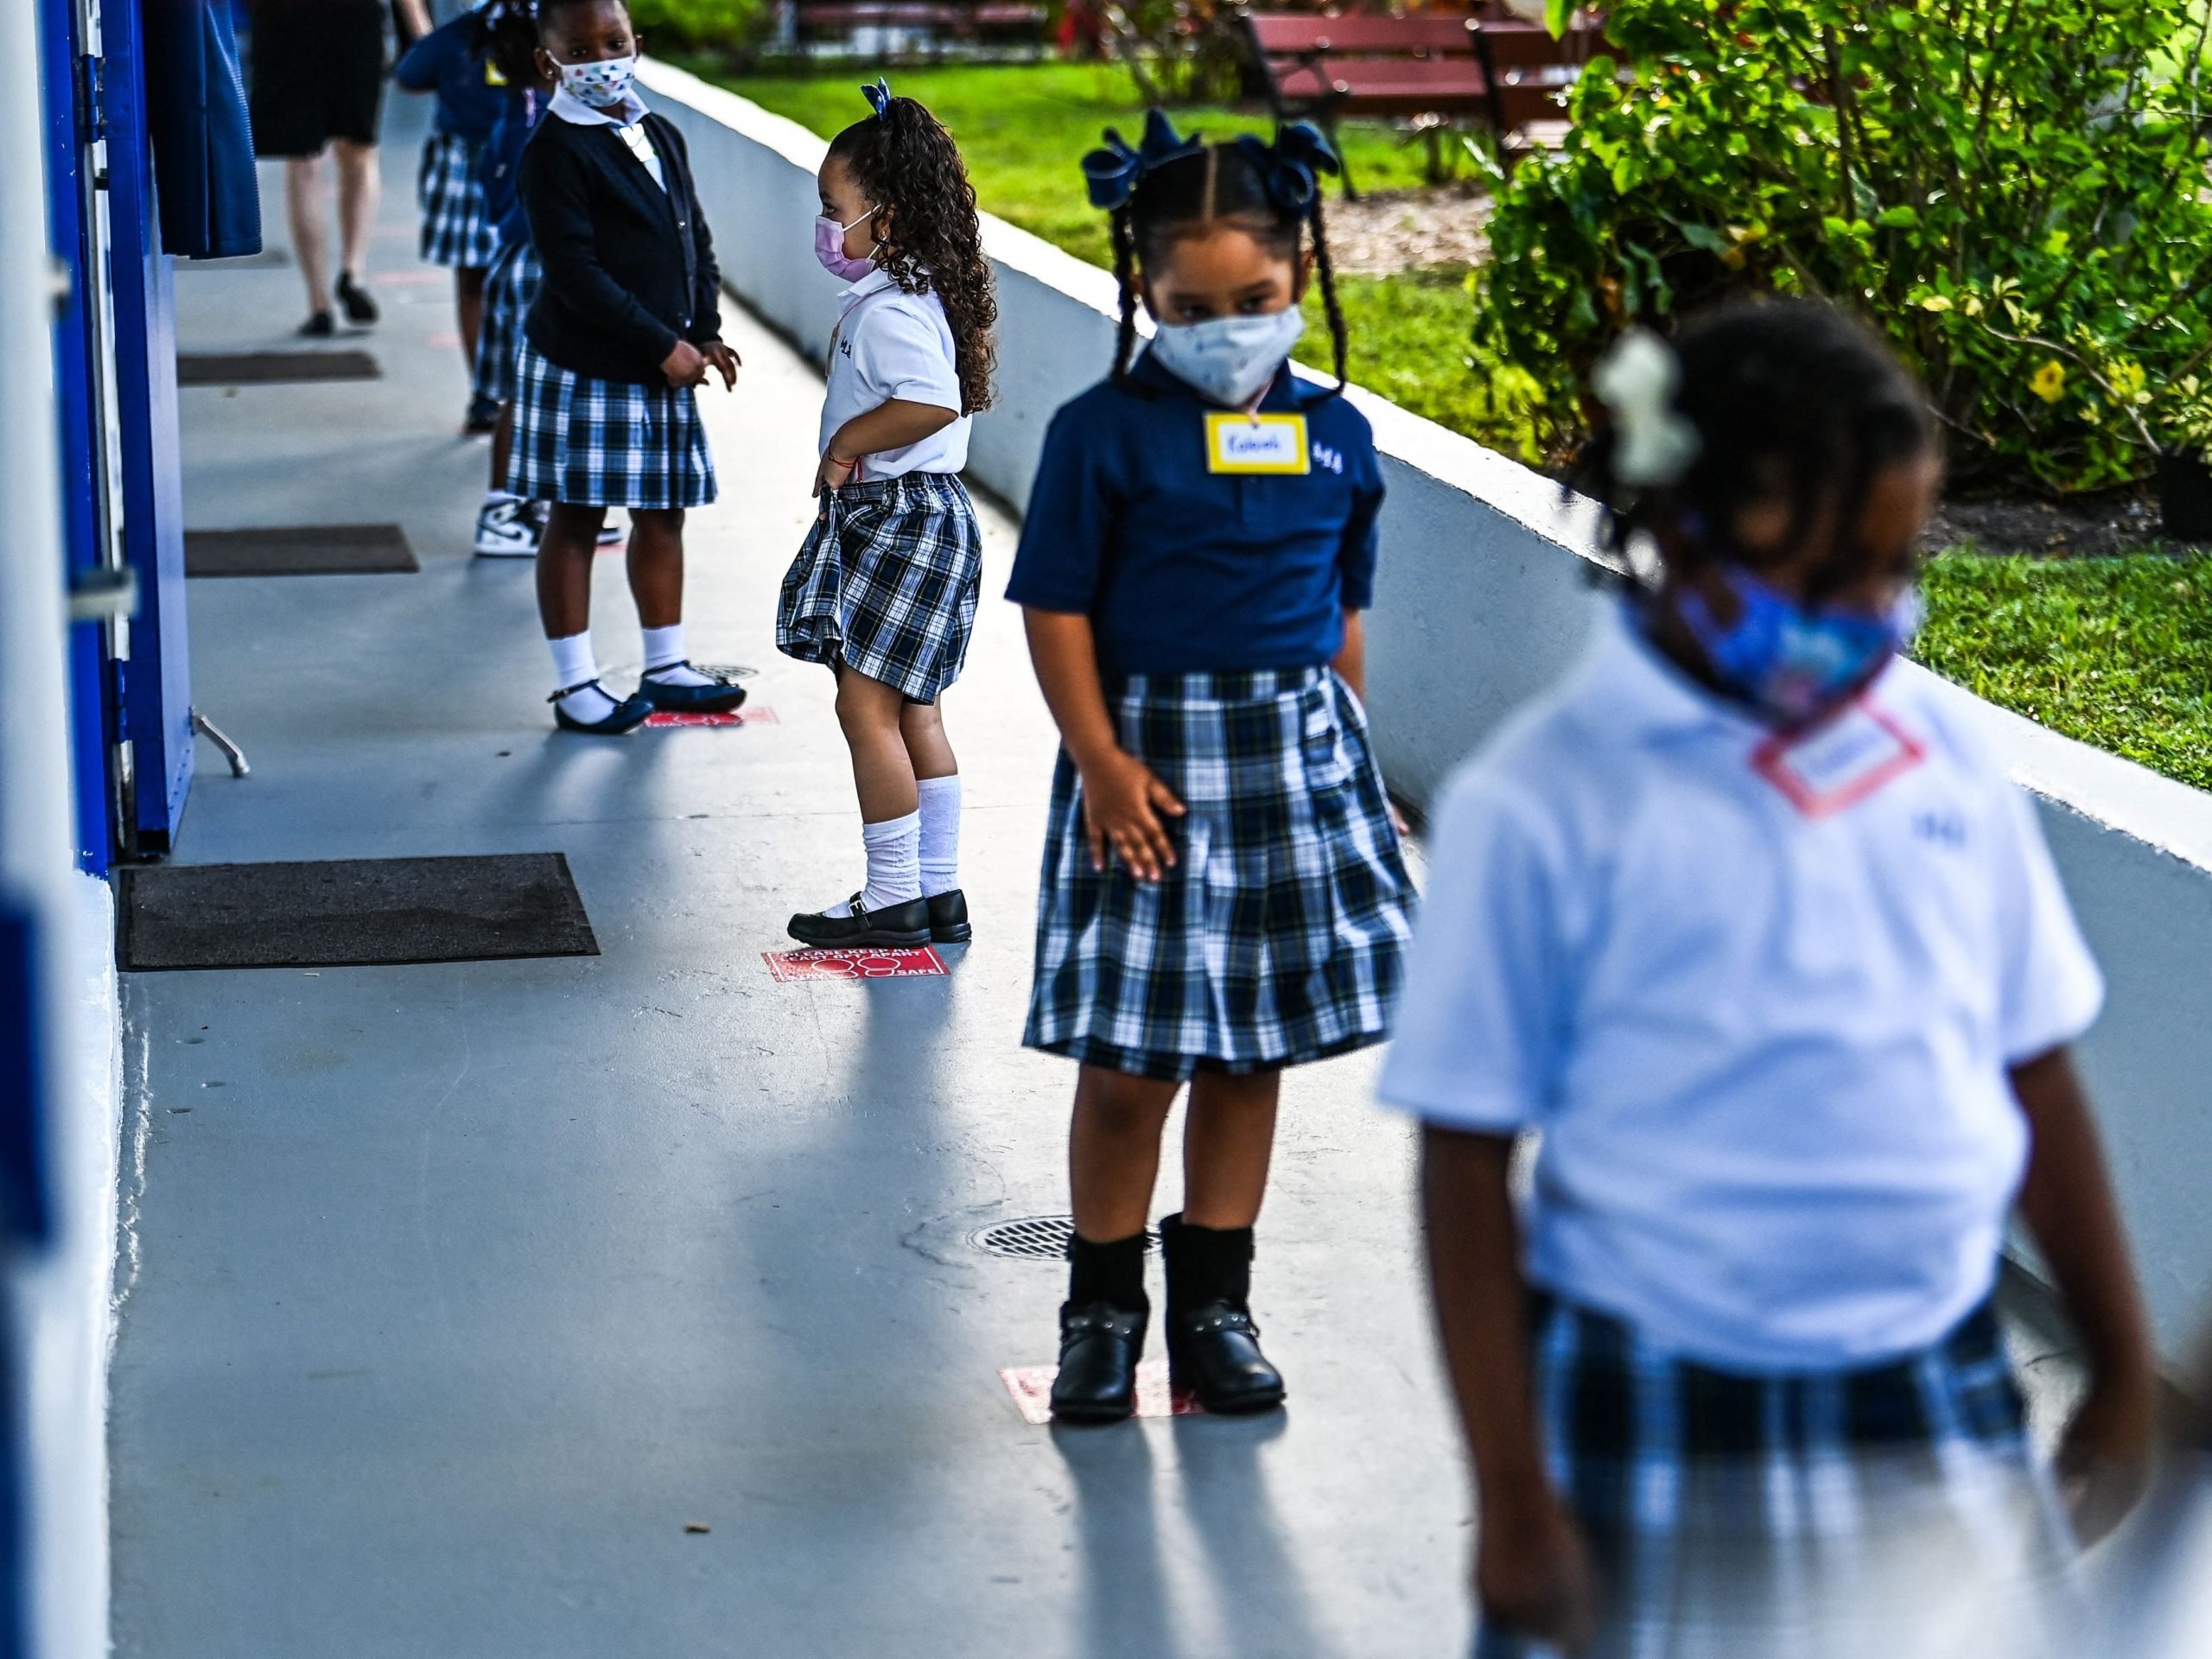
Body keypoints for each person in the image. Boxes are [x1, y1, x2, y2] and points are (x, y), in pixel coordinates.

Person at [1385, 302, 2158, 1657]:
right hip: (1659, 1394)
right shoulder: (1543, 807)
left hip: (1934, 1380)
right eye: (1826, 573)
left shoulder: (1943, 757)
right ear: (1683, 537)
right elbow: (1465, 1162)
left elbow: (2029, 1060)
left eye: (1894, 561)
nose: (1875, 609)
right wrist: (1514, 1506)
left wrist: (2118, 1366)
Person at [1007, 115, 1414, 1425]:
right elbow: (1057, 608)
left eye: (1257, 300)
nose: (1228, 325)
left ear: (1301, 278)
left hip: (1291, 769)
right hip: (1151, 778)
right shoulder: (1101, 434)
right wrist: (1103, 765)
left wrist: (1346, 766)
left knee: (1253, 1055)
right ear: (1148, 294)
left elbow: (1341, 619)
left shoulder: (1340, 440)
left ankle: (1216, 1309)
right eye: (1194, 306)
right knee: (1134, 1062)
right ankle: (1101, 1313)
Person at [777, 81, 995, 950]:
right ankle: (937, 894)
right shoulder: (921, 295)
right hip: (930, 516)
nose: (826, 226)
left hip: (896, 519)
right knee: (916, 713)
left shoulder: (890, 314)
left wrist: (845, 448)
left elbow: (930, 404)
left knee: (864, 710)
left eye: (836, 209)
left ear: (890, 218)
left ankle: (895, 897)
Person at [511, 0, 746, 734]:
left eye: (613, 42)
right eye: (580, 51)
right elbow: (575, 274)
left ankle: (665, 663)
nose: (601, 60)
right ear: (550, 63)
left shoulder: (659, 132)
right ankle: (577, 684)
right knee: (576, 518)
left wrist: (701, 331)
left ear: (636, 43)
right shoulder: (553, 151)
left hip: (661, 361)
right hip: (591, 367)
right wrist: (660, 345)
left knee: (662, 513)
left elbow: (691, 239)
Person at [393, 0, 508, 430]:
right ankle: (486, 391)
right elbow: (411, 73)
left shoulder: (541, 30)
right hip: (472, 163)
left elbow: (411, 74)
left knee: (478, 281)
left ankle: (491, 391)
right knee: (476, 279)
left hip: (514, 165)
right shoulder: (462, 35)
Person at [245, 0, 390, 335]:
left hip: (284, 23)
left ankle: (319, 303)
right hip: (355, 20)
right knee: (359, 153)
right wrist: (420, 32)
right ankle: (353, 271)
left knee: (303, 164)